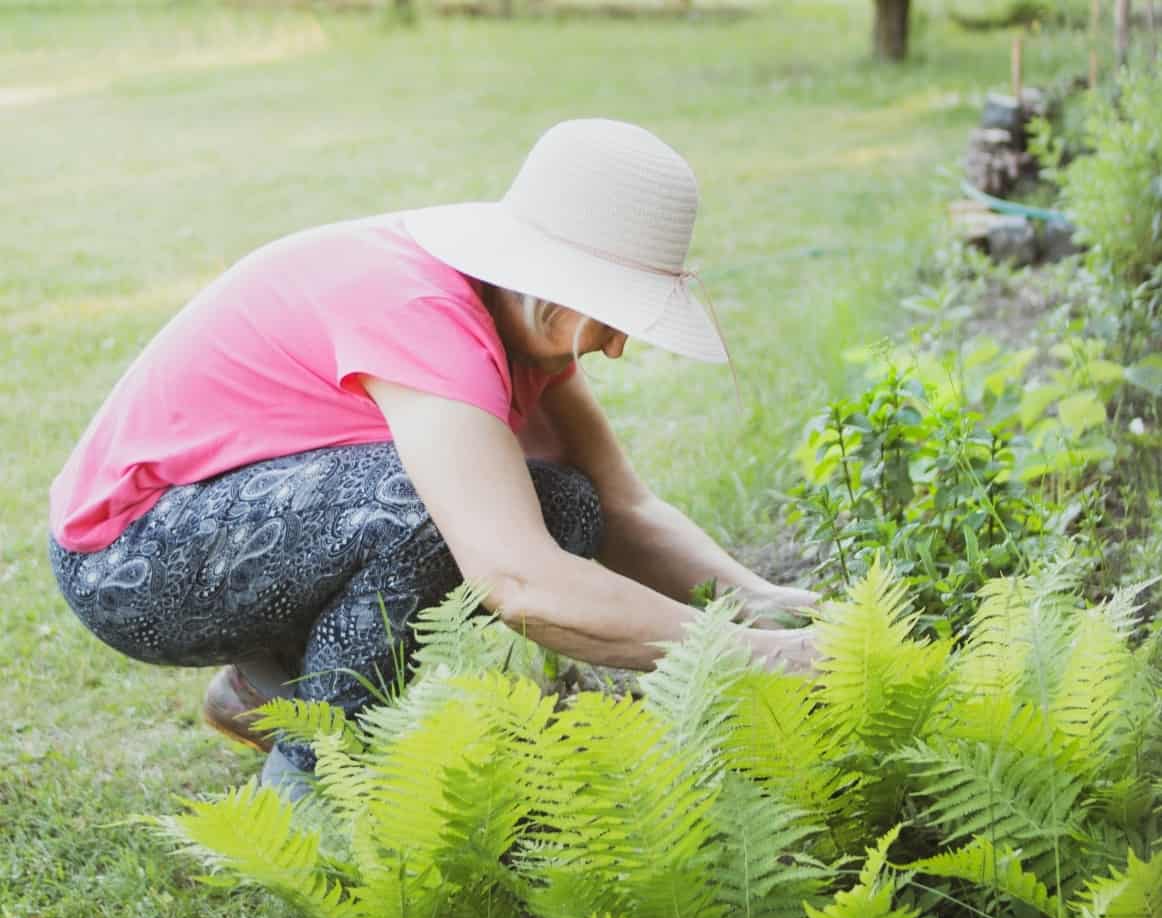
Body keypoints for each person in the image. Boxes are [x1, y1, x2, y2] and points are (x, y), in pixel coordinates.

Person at [48, 118, 820, 792]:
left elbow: (625, 508)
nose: (618, 347)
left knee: (568, 505)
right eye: (615, 314)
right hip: (128, 560)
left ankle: (266, 688)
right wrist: (763, 657)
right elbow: (518, 579)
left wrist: (781, 610)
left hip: (225, 525)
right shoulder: (424, 318)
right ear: (550, 282)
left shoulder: (519, 324)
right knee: (429, 516)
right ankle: (320, 781)